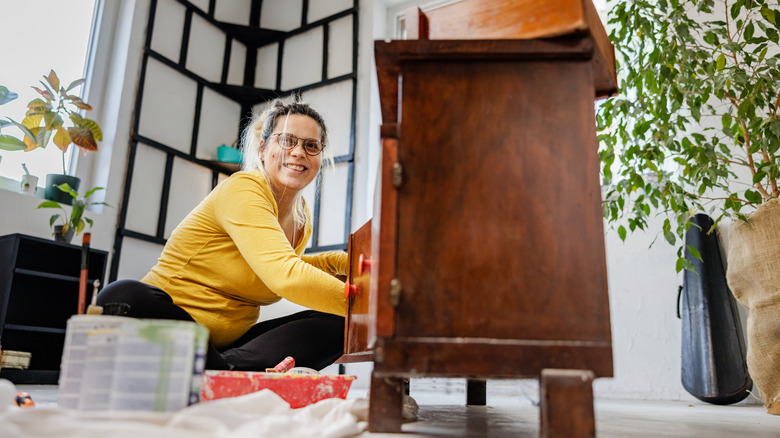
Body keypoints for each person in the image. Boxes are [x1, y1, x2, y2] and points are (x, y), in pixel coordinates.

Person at [97, 99, 348, 371]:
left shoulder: (301, 217)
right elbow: (284, 274)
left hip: (226, 349)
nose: (299, 152)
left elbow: (270, 264)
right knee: (125, 295)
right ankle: (222, 372)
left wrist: (338, 262)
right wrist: (375, 309)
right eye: (287, 140)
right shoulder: (244, 189)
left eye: (311, 145)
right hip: (168, 325)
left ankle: (219, 372)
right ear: (263, 149)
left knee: (343, 323)